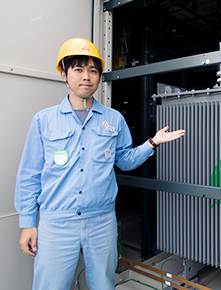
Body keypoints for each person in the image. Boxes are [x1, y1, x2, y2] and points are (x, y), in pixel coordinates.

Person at [14, 38, 185, 290]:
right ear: (64, 74)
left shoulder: (113, 119)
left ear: (99, 77)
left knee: (103, 285)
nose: (86, 76)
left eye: (93, 70)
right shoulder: (44, 121)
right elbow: (29, 174)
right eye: (78, 69)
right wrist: (28, 222)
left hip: (101, 223)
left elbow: (125, 161)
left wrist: (152, 143)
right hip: (57, 223)